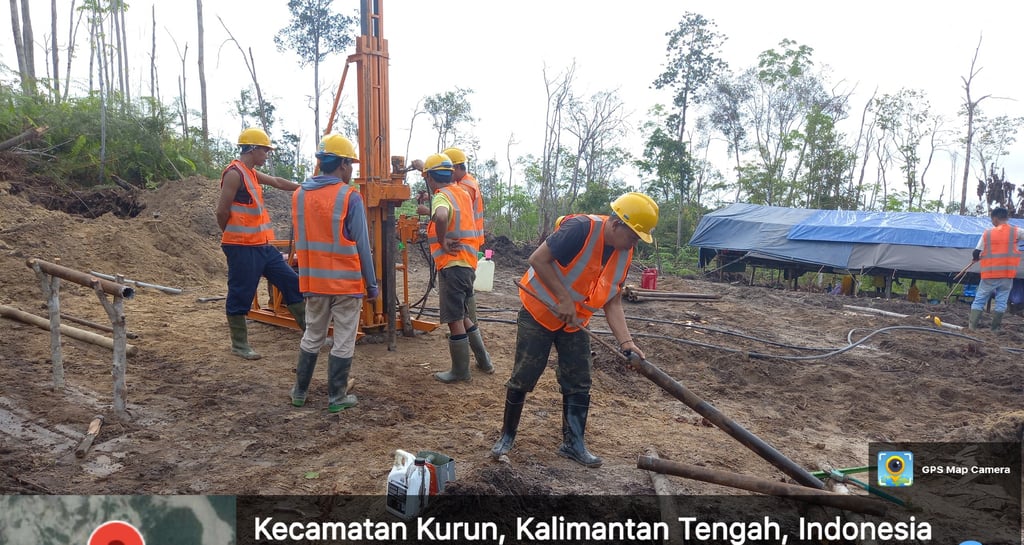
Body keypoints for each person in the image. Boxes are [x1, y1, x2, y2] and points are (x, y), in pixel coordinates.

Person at [491, 192, 659, 468]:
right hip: (539, 309)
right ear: (617, 224)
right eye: (633, 236)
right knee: (524, 375)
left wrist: (626, 342)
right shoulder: (580, 228)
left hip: (576, 320)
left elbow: (613, 300)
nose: (635, 243)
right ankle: (507, 436)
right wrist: (563, 299)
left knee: (579, 380)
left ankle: (573, 443)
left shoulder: (623, 253)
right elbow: (538, 259)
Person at [288, 134, 378, 412]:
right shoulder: (349, 197)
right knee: (343, 339)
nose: (351, 170)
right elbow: (362, 245)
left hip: (313, 281)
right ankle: (337, 398)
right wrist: (372, 284)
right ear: (342, 164)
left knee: (312, 335)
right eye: (350, 164)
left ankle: (299, 392)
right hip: (345, 284)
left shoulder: (299, 195)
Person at [215, 127, 305, 360]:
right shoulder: (234, 174)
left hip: (263, 245)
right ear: (253, 149)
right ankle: (239, 344)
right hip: (242, 246)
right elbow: (221, 211)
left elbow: (276, 181)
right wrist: (232, 235)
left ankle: (311, 334)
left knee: (291, 283)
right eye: (265, 150)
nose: (267, 155)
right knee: (241, 292)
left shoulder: (251, 173)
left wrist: (304, 187)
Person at [422, 153, 493, 382]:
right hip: (467, 264)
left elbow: (442, 216)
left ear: (430, 178)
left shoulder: (441, 196)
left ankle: (460, 371)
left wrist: (442, 240)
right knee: (464, 315)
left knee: (454, 318)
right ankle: (484, 360)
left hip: (452, 265)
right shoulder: (461, 193)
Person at [969, 207, 1024, 331]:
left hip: (989, 274)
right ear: (1006, 218)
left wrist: (976, 258)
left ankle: (972, 328)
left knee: (979, 300)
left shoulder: (987, 234)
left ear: (995, 218)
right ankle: (995, 329)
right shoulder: (1016, 232)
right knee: (1001, 302)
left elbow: (976, 252)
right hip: (1007, 274)